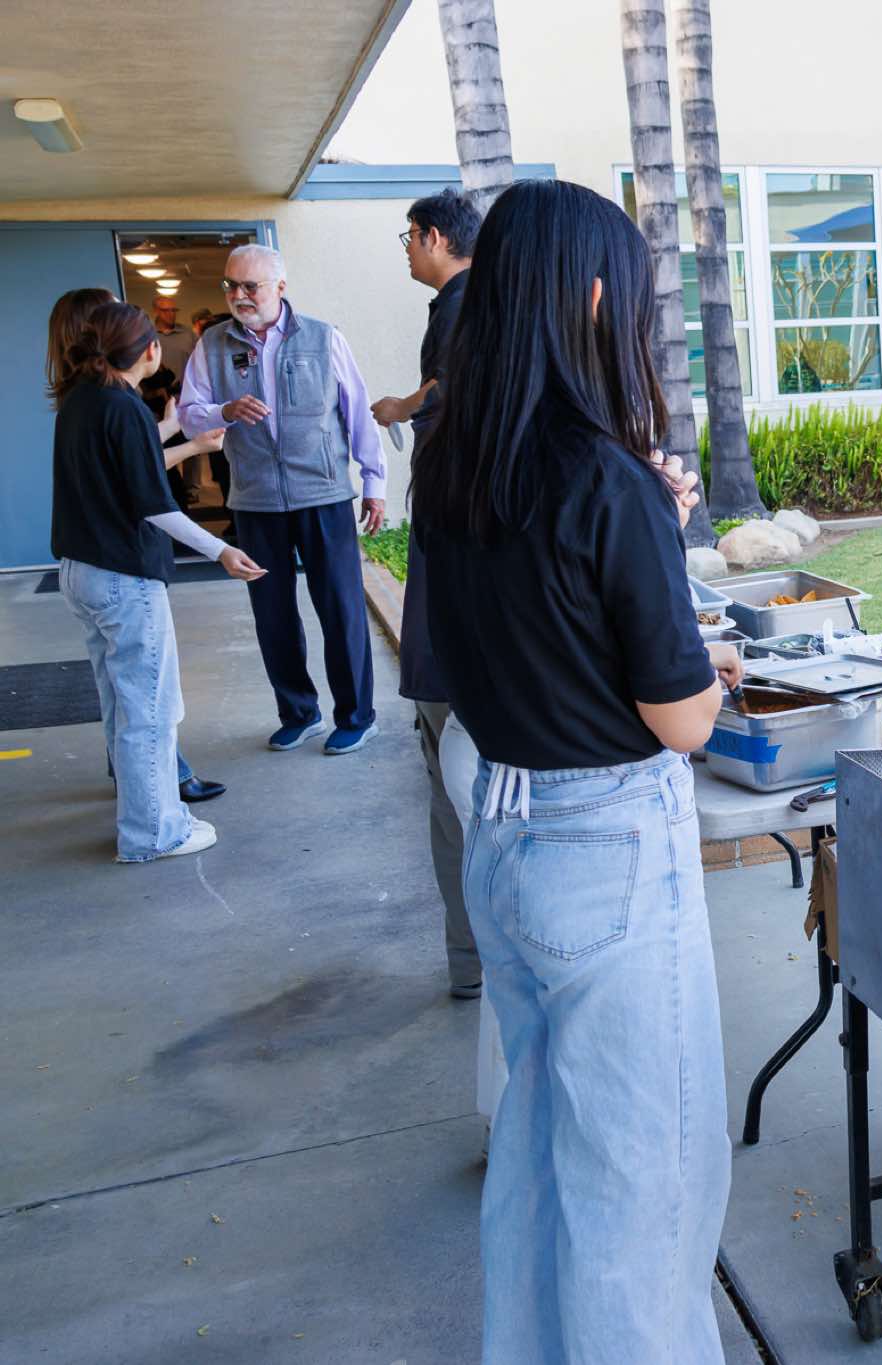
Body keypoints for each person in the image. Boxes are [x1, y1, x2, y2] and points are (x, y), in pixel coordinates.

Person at [412, 178, 743, 1363]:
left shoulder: (453, 463)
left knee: (544, 1155)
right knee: (643, 1187)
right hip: (606, 847)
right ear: (597, 299)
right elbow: (682, 720)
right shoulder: (604, 479)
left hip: (503, 829)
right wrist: (708, 665)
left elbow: (528, 626)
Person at [49, 301, 266, 861]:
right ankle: (154, 832)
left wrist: (174, 428)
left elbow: (126, 462)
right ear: (149, 350)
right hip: (123, 578)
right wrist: (222, 549)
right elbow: (154, 505)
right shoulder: (120, 406)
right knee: (150, 710)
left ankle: (146, 815)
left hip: (80, 573)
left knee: (122, 704)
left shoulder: (81, 399)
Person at [176, 244, 385, 755]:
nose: (239, 295)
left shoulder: (323, 337)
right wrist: (224, 411)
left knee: (340, 609)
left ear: (280, 288)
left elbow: (357, 412)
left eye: (250, 286)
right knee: (272, 615)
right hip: (256, 502)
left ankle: (357, 716)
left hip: (323, 495)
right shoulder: (212, 345)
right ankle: (298, 712)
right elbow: (189, 414)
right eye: (231, 286)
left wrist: (374, 483)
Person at [373, 186, 481, 999]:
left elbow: (443, 388)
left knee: (454, 782)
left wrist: (401, 404)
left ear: (435, 236)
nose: (407, 250)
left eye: (408, 237)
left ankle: (472, 960)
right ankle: (473, 960)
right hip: (455, 596)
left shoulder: (462, 303)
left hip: (457, 615)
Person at [151, 295, 196, 380]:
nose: (171, 314)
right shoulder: (147, 334)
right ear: (156, 311)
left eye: (174, 310)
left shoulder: (188, 333)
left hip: (186, 385)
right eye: (165, 310)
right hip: (158, 387)